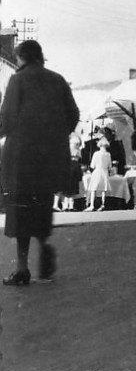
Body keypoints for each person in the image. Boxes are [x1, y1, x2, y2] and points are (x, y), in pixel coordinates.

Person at [0, 40, 80, 285]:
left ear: (22, 57)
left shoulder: (18, 80)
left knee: (20, 210)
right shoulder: (58, 79)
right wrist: (55, 136)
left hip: (22, 158)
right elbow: (74, 114)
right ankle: (44, 248)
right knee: (43, 204)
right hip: (50, 158)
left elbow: (7, 117)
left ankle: (22, 268)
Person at [86, 138, 112, 211]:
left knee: (93, 188)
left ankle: (92, 205)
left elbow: (92, 165)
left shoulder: (96, 154)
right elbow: (110, 166)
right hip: (105, 171)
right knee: (103, 188)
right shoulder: (108, 154)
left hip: (97, 171)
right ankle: (103, 204)